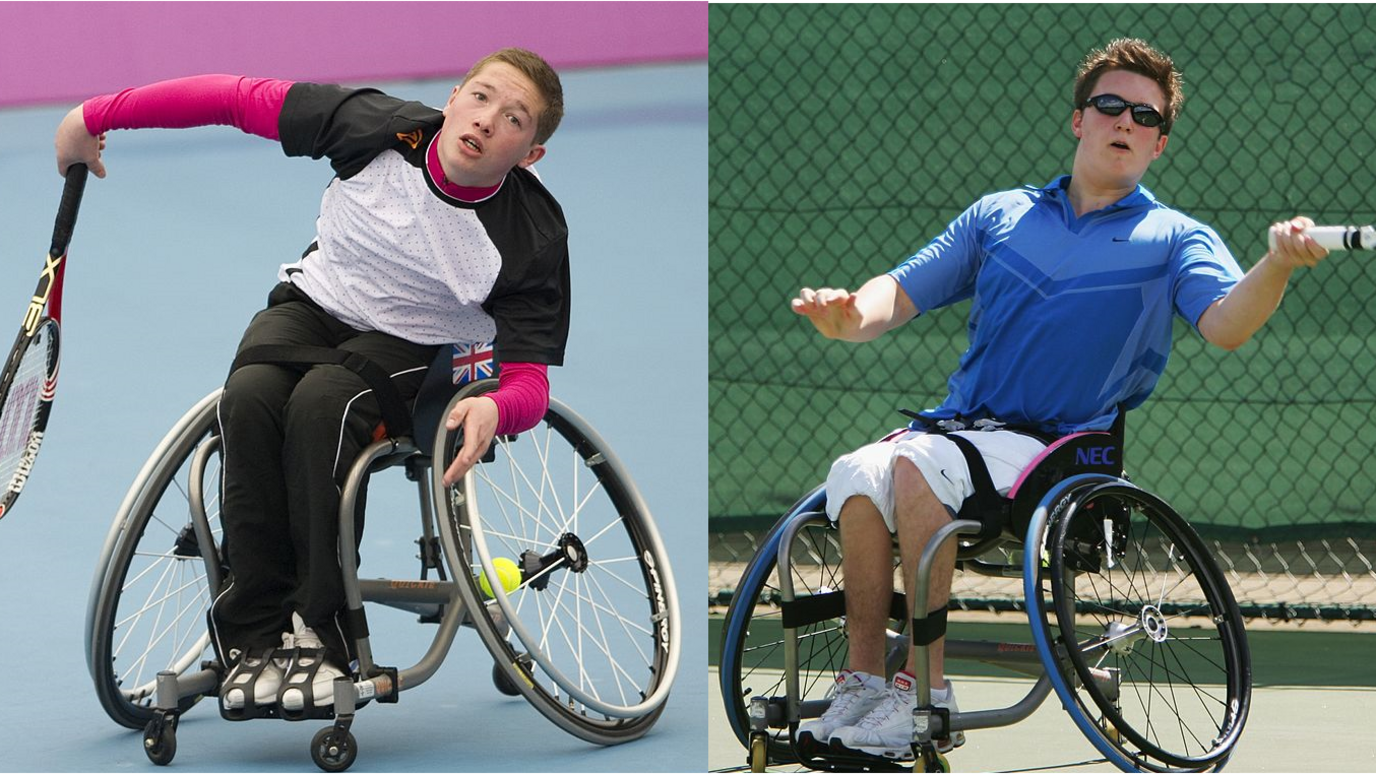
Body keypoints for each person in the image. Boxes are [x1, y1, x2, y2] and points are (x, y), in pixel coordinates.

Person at [790, 38, 1328, 761]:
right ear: (1080, 120)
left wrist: (1277, 265)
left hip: (1058, 452)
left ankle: (927, 691)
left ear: (1159, 143)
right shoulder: (1000, 216)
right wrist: (849, 315)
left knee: (917, 465)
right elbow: (898, 291)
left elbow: (1228, 323)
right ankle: (862, 681)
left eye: (1145, 115)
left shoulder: (1173, 239)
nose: (1126, 121)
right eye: (1111, 105)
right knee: (856, 472)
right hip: (962, 431)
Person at [54, 48, 570, 713]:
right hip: (316, 306)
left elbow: (528, 379)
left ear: (529, 155)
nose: (486, 121)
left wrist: (498, 410)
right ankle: (253, 637)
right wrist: (95, 115)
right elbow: (233, 97)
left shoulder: (530, 236)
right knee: (249, 397)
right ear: (452, 98)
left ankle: (318, 637)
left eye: (513, 118)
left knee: (323, 405)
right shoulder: (372, 126)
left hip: (422, 348)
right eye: (481, 97)